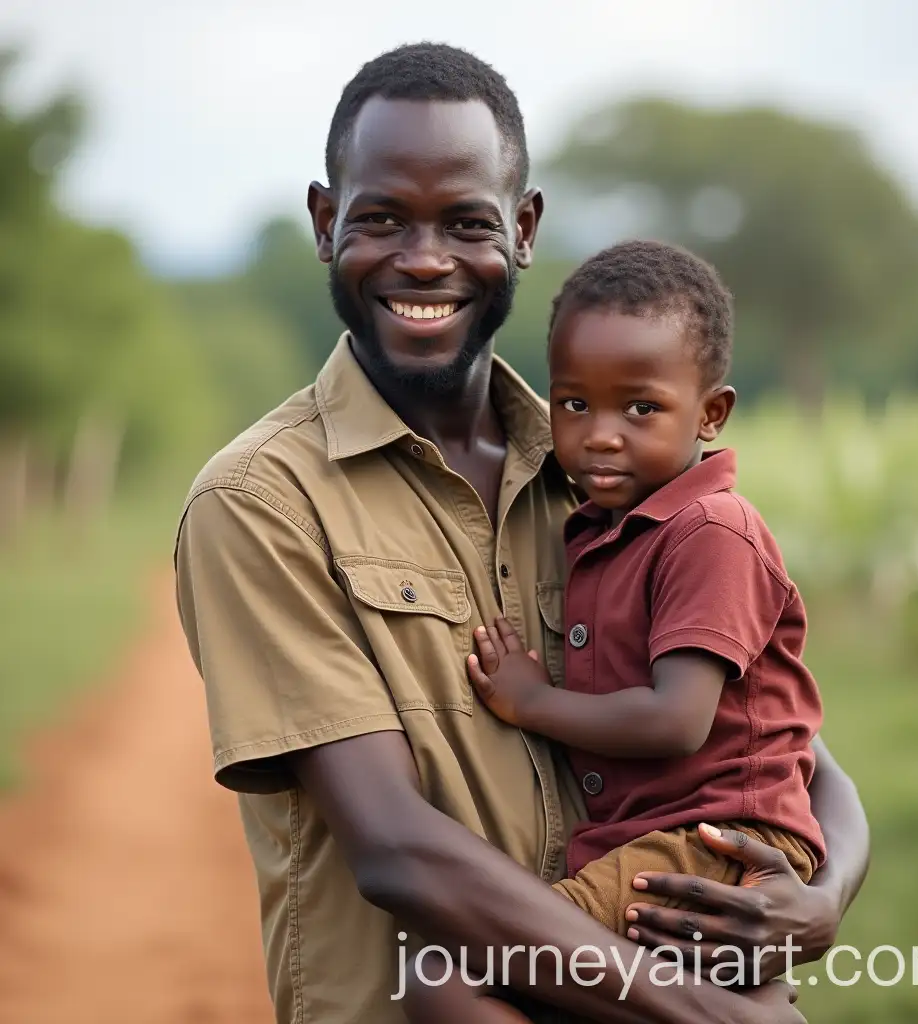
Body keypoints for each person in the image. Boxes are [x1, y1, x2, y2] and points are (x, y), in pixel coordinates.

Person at [173, 42, 869, 1024]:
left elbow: (785, 745)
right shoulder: (261, 502)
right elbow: (395, 847)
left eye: (465, 221)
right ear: (326, 224)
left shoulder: (611, 478)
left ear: (524, 227)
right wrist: (714, 1015)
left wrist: (820, 899)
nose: (423, 260)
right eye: (379, 219)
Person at [402, 240, 827, 1023]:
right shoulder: (601, 528)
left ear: (710, 412)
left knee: (446, 973)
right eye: (574, 404)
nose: (600, 434)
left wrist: (532, 702)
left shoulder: (710, 530)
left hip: (714, 843)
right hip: (666, 839)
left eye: (640, 407)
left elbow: (676, 718)